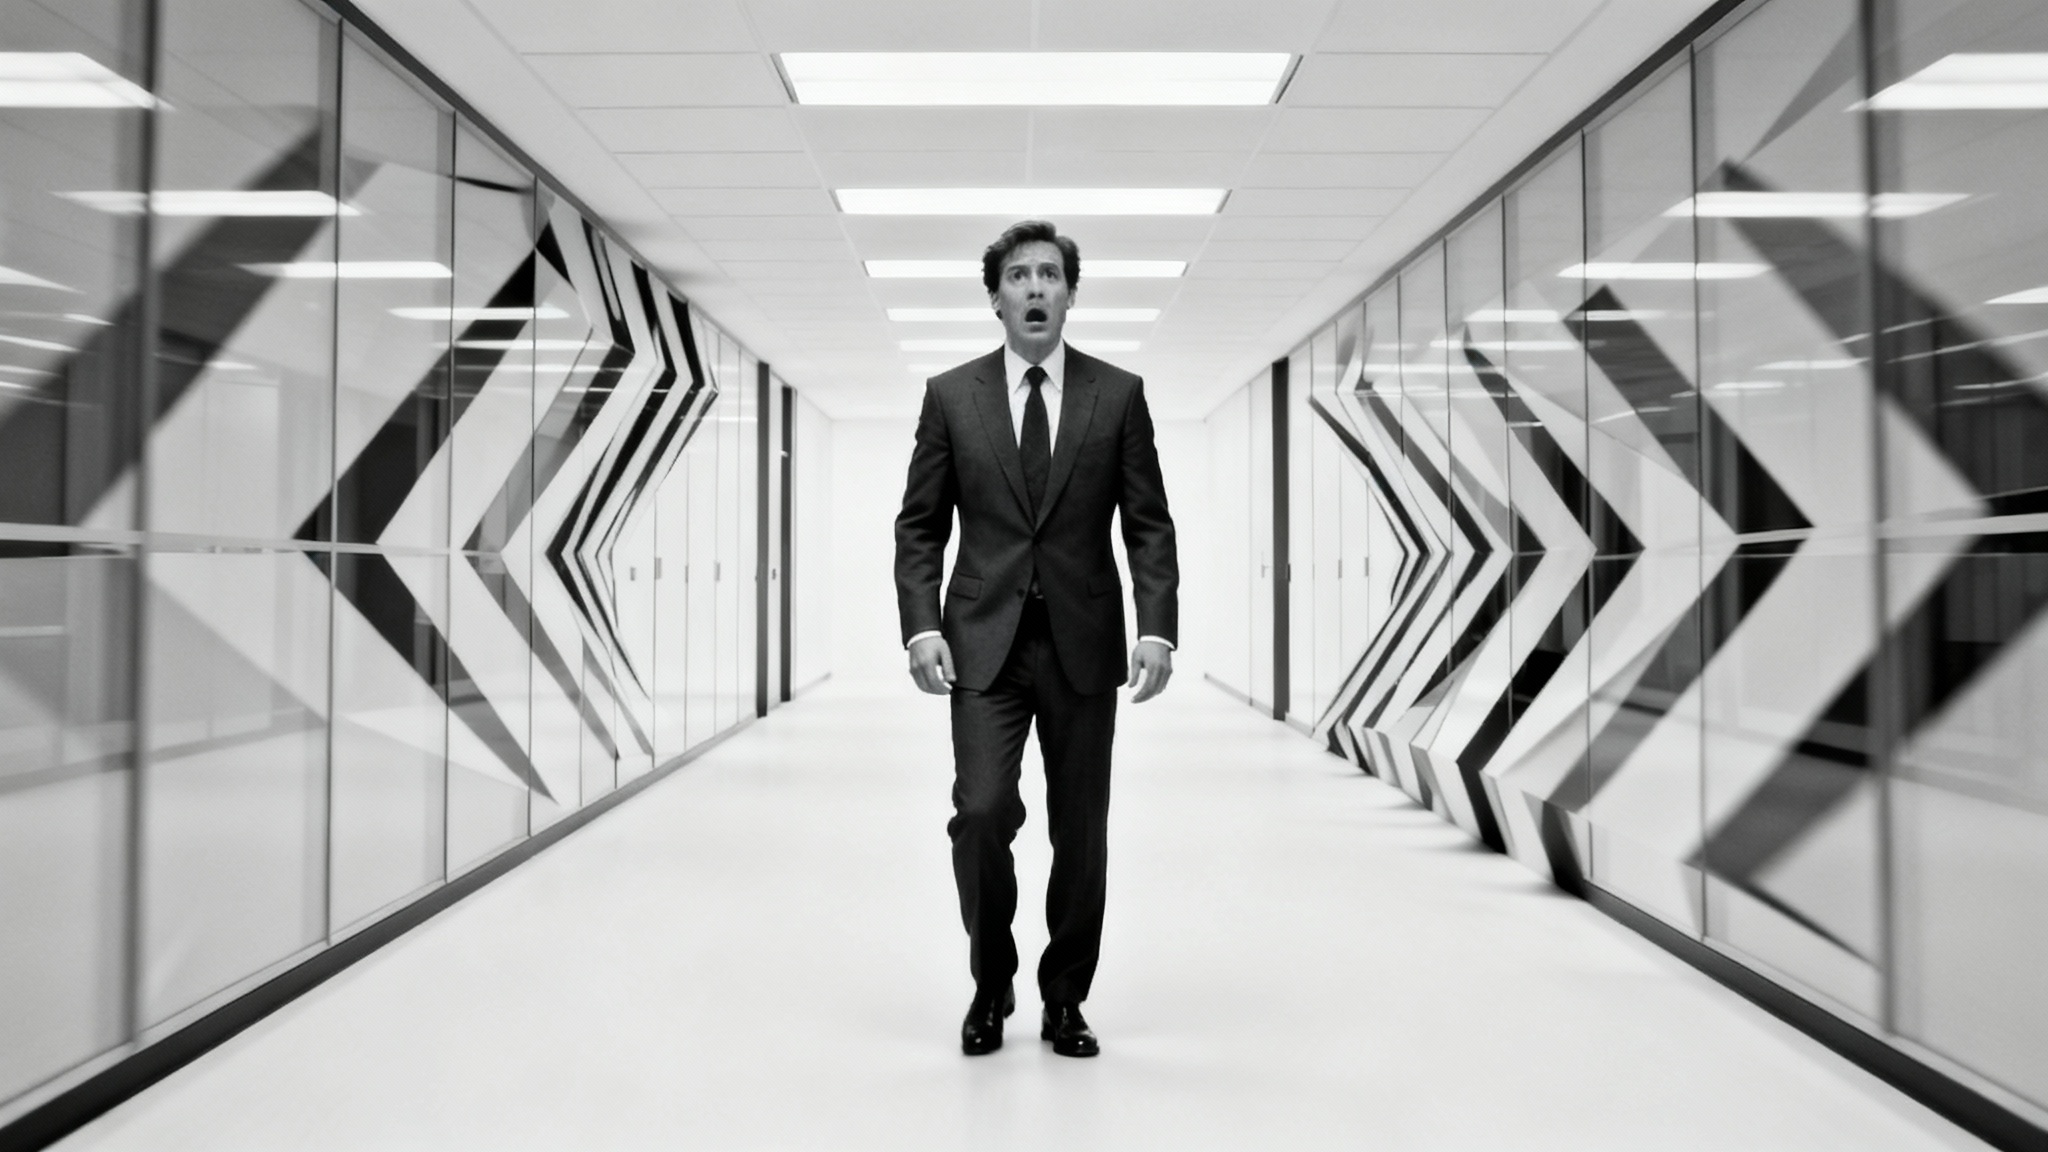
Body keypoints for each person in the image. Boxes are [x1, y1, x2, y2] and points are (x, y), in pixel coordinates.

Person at [894, 220, 1179, 1058]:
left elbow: (1148, 523)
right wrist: (921, 626)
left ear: (1070, 294)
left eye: (1050, 274)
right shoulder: (952, 396)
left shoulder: (1116, 394)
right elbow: (920, 526)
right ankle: (991, 984)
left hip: (1083, 644)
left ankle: (1065, 1000)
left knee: (1080, 830)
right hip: (983, 643)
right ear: (996, 298)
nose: (1034, 287)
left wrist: (1158, 630)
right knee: (982, 813)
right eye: (1018, 275)